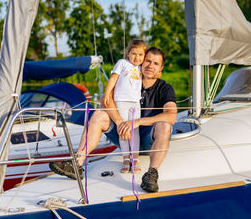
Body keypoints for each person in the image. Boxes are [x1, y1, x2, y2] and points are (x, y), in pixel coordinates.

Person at [49, 47, 177, 193]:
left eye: (155, 63)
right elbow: (106, 100)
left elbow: (171, 115)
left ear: (161, 68)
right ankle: (76, 164)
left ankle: (151, 174)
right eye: (147, 61)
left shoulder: (164, 89)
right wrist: (120, 122)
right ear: (141, 62)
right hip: (122, 134)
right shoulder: (128, 80)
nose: (150, 66)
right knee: (98, 115)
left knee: (164, 125)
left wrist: (137, 122)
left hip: (148, 140)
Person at [103, 39, 146, 174]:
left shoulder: (141, 68)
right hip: (121, 101)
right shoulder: (122, 63)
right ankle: (126, 158)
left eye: (140, 55)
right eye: (134, 54)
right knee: (122, 129)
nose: (137, 57)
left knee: (135, 130)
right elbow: (113, 79)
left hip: (135, 103)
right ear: (128, 53)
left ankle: (135, 158)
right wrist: (106, 94)